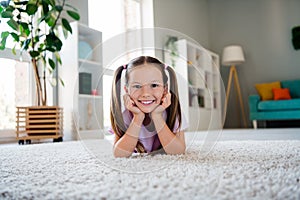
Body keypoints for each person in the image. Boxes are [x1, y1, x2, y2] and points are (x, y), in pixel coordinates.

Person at [110, 56, 188, 157]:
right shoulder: (125, 115)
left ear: (165, 89)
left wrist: (157, 116)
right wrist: (138, 118)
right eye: (137, 86)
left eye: (154, 85)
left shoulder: (174, 112)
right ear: (127, 90)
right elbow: (119, 154)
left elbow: (178, 151)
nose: (146, 93)